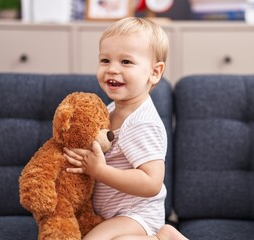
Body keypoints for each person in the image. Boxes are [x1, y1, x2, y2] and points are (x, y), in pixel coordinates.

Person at [64, 17, 188, 240]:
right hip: (113, 214)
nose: (112, 69)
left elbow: (152, 183)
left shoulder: (142, 123)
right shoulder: (110, 110)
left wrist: (99, 171)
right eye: (105, 60)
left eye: (126, 62)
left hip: (137, 215)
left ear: (155, 72)